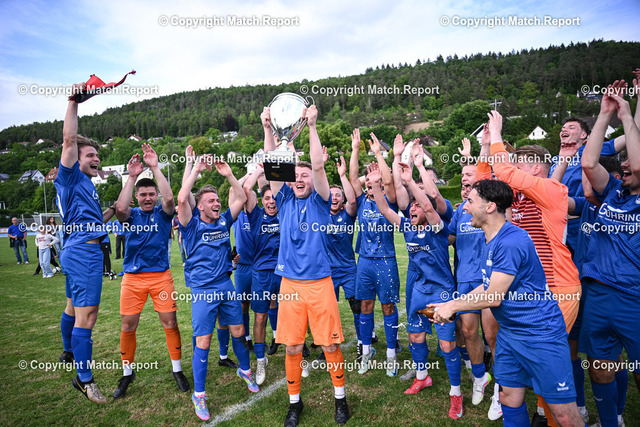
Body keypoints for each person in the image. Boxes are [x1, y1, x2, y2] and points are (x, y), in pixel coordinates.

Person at [431, 179, 585, 427]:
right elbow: (489, 284)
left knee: (564, 415)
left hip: (540, 335)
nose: (465, 207)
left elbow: (493, 296)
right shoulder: (489, 238)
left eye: (470, 201)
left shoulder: (511, 241)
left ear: (490, 207)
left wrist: (453, 307)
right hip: (510, 333)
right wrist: (453, 303)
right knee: (508, 397)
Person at [488, 109, 582, 426]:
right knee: (535, 357)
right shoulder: (519, 199)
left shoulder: (551, 191)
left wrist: (498, 132)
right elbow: (490, 184)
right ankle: (542, 410)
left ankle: (552, 413)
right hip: (533, 288)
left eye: (520, 165)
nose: (514, 171)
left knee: (546, 355)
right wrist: (487, 146)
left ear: (536, 169)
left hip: (559, 287)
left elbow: (505, 171)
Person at [262, 105, 350, 426]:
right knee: (292, 347)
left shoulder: (321, 202)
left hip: (320, 284)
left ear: (312, 180)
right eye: (295, 176)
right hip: (290, 285)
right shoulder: (284, 199)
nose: (300, 179)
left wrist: (312, 126)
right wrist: (268, 128)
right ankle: (294, 403)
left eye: (305, 176)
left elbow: (317, 165)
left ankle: (340, 399)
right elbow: (273, 165)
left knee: (329, 344)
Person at [370, 161, 464, 420]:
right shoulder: (407, 228)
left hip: (442, 292)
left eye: (416, 205)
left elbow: (431, 207)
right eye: (410, 205)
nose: (412, 208)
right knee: (415, 336)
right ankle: (422, 377)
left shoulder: (438, 229)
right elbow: (383, 208)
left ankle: (456, 393)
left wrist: (410, 181)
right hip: (420, 290)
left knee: (446, 344)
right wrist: (376, 184)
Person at [178, 154, 258, 421]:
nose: (217, 203)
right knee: (204, 340)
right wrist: (195, 169)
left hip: (226, 284)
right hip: (203, 290)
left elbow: (242, 198)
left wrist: (229, 175)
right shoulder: (191, 225)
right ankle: (199, 394)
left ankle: (245, 370)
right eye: (211, 201)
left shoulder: (224, 220)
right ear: (200, 206)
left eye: (217, 199)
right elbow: (182, 199)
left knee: (239, 331)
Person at [581, 82, 640, 427]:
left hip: (634, 295)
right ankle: (609, 422)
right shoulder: (614, 191)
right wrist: (605, 114)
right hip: (599, 293)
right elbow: (589, 163)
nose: (625, 165)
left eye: (630, 160)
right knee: (600, 367)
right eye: (624, 162)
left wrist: (627, 114)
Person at [111, 144, 190, 398]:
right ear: (137, 197)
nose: (147, 198)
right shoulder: (131, 215)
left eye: (151, 194)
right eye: (143, 194)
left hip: (160, 277)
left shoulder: (163, 214)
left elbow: (170, 199)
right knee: (128, 325)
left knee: (170, 322)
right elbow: (119, 209)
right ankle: (127, 373)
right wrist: (132, 176)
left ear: (155, 196)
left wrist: (155, 167)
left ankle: (177, 369)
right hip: (133, 279)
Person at [54, 82, 111, 403]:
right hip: (84, 254)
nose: (96, 159)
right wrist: (74, 102)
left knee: (72, 307)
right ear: (76, 159)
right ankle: (85, 380)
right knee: (86, 317)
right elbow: (68, 140)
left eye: (97, 155)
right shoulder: (70, 176)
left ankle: (67, 352)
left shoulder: (86, 185)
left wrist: (112, 211)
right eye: (91, 155)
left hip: (77, 249)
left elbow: (94, 220)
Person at [349, 128, 401, 377]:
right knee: (365, 305)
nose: (371, 186)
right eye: (368, 183)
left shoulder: (388, 201)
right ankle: (367, 352)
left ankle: (391, 355)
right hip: (365, 262)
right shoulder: (361, 201)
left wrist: (379, 156)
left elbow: (389, 183)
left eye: (375, 183)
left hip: (386, 260)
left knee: (388, 306)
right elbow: (353, 179)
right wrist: (355, 150)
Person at [243, 164, 280, 385]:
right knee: (260, 316)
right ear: (262, 201)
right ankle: (260, 359)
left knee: (290, 313)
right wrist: (258, 170)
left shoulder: (285, 212)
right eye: (267, 198)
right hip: (262, 274)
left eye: (274, 197)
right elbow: (246, 190)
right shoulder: (256, 216)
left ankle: (297, 352)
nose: (271, 201)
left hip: (284, 272)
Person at [326, 155, 361, 362]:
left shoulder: (347, 215)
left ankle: (362, 342)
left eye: (338, 195)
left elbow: (353, 200)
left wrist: (342, 176)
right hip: (327, 271)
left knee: (357, 308)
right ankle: (327, 344)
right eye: (331, 195)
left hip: (348, 270)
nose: (335, 198)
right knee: (328, 311)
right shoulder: (321, 215)